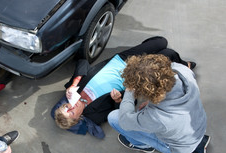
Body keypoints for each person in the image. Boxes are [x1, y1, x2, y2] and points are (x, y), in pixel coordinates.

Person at [51, 36, 194, 139]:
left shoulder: (72, 90)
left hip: (120, 59)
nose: (70, 107)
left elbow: (82, 62)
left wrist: (74, 84)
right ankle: (183, 64)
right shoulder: (94, 115)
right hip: (133, 74)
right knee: (167, 54)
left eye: (66, 107)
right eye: (71, 112)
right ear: (78, 118)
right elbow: (119, 111)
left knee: (161, 41)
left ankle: (155, 56)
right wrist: (118, 99)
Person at [108, 53, 210, 153]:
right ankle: (196, 143)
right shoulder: (183, 72)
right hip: (197, 127)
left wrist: (129, 91)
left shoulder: (158, 117)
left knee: (114, 118)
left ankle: (142, 145)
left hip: (178, 148)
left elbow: (125, 121)